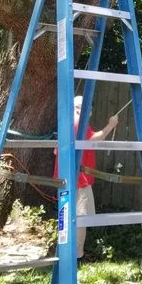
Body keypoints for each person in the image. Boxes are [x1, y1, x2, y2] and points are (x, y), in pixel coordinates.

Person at [53, 95, 119, 258]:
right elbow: (93, 140)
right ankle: (75, 255)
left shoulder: (67, 123)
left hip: (66, 179)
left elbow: (56, 150)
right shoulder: (78, 123)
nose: (87, 111)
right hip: (79, 180)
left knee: (65, 216)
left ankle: (64, 252)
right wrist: (111, 125)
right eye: (84, 107)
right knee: (80, 219)